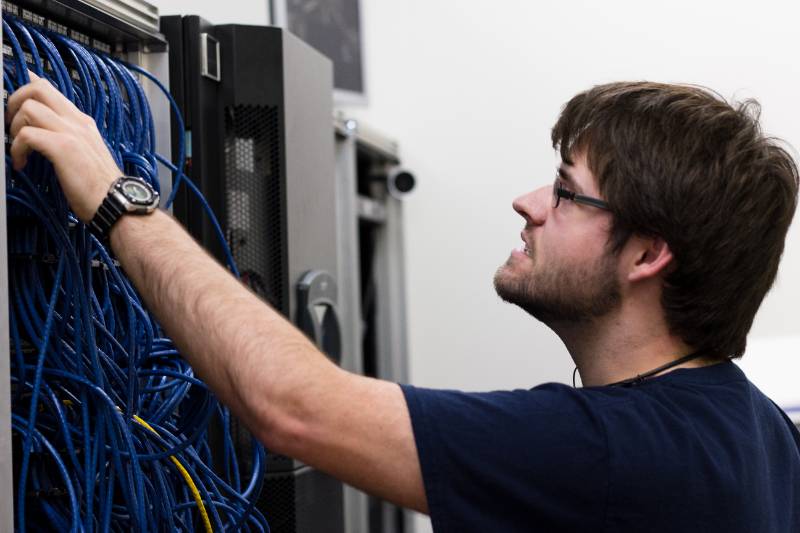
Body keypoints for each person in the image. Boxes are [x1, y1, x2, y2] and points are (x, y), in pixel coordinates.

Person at [7, 77, 800, 532]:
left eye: (565, 194)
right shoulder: (754, 428)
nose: (527, 202)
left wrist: (114, 200)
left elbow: (291, 407)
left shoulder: (612, 453)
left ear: (647, 254)